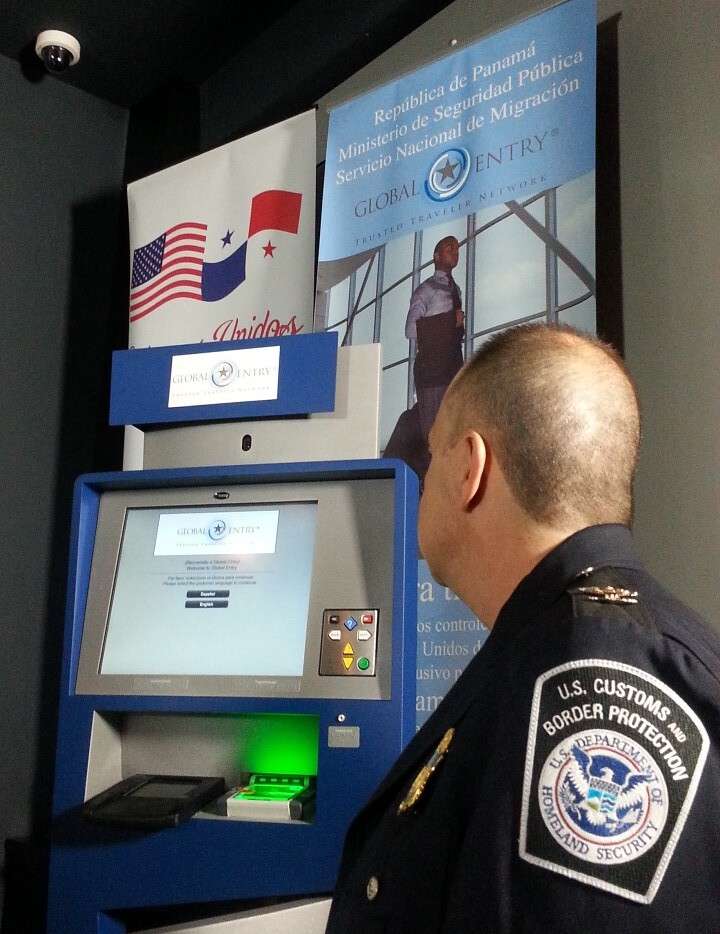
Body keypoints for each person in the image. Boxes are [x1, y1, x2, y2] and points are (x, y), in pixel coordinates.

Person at [325, 324, 720, 933]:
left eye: (432, 456)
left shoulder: (592, 688)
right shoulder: (558, 650)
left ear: (471, 470)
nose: (420, 484)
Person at [405, 235, 465, 443]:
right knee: (433, 438)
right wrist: (450, 321)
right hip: (432, 374)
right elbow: (411, 329)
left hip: (453, 371)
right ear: (436, 256)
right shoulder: (426, 289)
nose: (455, 252)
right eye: (450, 248)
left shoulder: (455, 289)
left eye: (457, 249)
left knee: (453, 437)